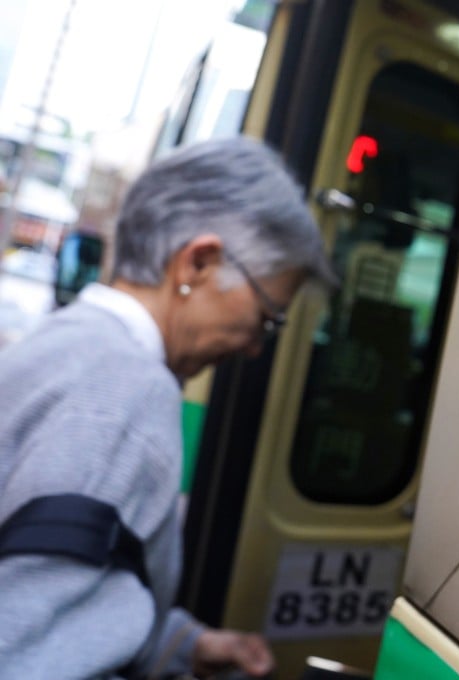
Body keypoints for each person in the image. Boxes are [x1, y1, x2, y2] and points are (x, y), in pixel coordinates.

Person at [0, 137, 335, 678]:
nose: (254, 346)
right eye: (267, 315)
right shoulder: (130, 392)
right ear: (198, 263)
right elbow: (28, 649)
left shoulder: (65, 342)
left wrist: (182, 643)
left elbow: (64, 583)